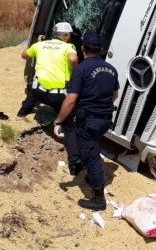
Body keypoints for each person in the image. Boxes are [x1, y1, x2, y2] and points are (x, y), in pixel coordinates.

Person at [54, 31, 119, 211]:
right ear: (101, 49)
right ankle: (93, 175)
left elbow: (71, 99)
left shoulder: (80, 69)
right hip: (105, 120)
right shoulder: (111, 69)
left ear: (82, 48)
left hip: (89, 120)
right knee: (92, 146)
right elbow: (115, 95)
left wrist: (59, 120)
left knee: (91, 157)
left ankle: (98, 199)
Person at [17, 22, 81, 174]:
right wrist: (75, 70)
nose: (70, 38)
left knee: (33, 85)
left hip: (39, 92)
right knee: (70, 126)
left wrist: (38, 45)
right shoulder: (68, 47)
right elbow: (72, 60)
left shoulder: (40, 45)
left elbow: (24, 55)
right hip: (57, 97)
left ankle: (23, 111)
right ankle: (74, 162)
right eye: (70, 35)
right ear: (65, 36)